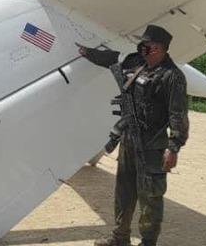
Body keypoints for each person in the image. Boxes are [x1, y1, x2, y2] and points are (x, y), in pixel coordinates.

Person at [80, 25, 189, 246]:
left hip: (152, 146)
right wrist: (88, 53)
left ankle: (148, 243)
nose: (141, 48)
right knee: (124, 192)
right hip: (129, 140)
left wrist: (174, 146)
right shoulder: (136, 63)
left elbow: (178, 114)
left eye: (146, 46)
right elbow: (111, 58)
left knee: (150, 197)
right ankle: (120, 238)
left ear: (158, 49)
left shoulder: (172, 76)